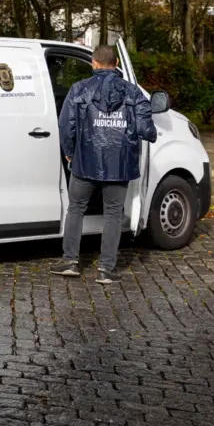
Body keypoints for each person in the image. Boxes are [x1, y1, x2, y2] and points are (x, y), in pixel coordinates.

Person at [51, 44, 157, 284]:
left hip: (84, 161)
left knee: (76, 209)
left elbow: (66, 125)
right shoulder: (133, 92)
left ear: (94, 63)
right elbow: (146, 130)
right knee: (113, 214)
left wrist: (70, 152)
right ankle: (106, 269)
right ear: (116, 63)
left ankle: (70, 261)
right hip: (119, 164)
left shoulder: (79, 89)